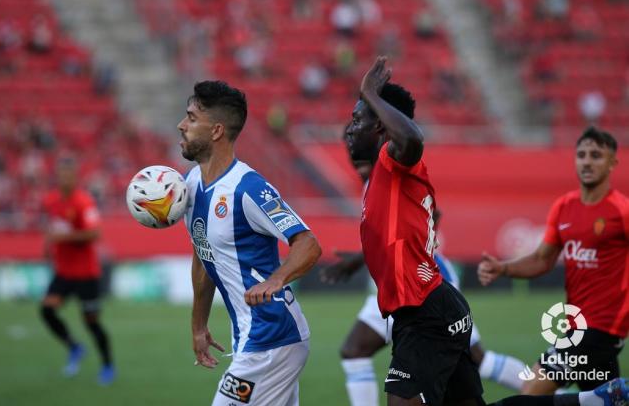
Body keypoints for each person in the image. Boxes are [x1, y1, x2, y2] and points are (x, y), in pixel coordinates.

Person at [345, 56, 628, 406]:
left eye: (358, 119)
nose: (349, 128)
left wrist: (371, 93)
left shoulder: (395, 158)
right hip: (428, 311)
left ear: (381, 127)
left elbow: (412, 138)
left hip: (426, 313)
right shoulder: (380, 177)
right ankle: (592, 401)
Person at [178, 80, 322, 406]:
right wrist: (198, 325)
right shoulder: (191, 184)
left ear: (216, 131)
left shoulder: (249, 189)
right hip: (253, 337)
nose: (181, 125)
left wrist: (277, 279)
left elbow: (308, 242)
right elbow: (202, 255)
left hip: (272, 338)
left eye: (191, 118)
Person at [323, 202, 528, 406]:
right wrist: (361, 259)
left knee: (475, 359)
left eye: (363, 166)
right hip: (393, 288)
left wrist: (422, 240)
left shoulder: (395, 175)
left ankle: (540, 384)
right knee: (354, 351)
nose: (358, 169)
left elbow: (432, 213)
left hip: (424, 281)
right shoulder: (373, 184)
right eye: (356, 166)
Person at [478, 126, 628, 396]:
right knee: (601, 401)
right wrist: (504, 268)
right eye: (581, 154)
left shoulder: (622, 211)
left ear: (612, 163)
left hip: (602, 328)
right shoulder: (564, 206)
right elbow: (542, 259)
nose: (587, 161)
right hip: (579, 325)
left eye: (596, 155)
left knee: (533, 389)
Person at [40, 156, 114, 385]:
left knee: (91, 322)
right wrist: (48, 245)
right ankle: (74, 347)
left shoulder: (84, 202)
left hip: (86, 273)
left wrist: (62, 237)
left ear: (75, 177)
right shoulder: (50, 200)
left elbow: (95, 234)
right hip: (64, 271)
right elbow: (51, 227)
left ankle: (107, 365)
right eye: (61, 174)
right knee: (47, 310)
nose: (64, 179)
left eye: (69, 174)